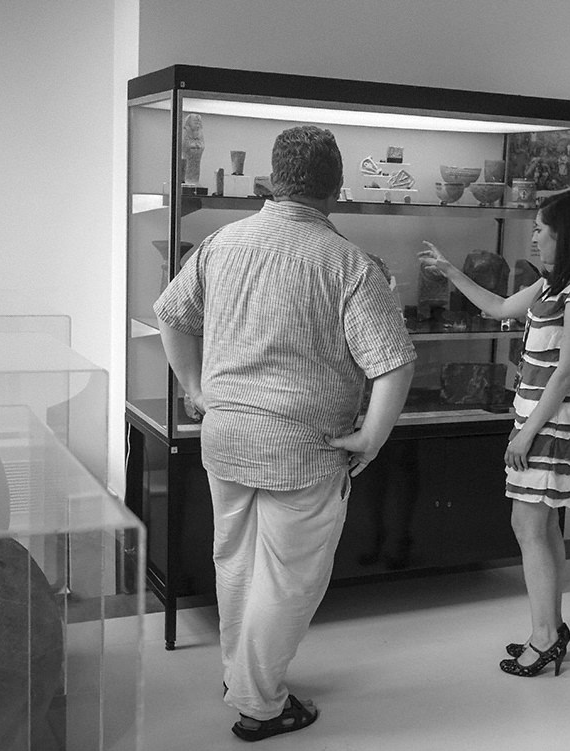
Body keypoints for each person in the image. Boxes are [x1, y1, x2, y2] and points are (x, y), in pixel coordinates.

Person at [154, 125, 416, 742]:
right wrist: (371, 438)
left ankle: (240, 675)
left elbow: (170, 314)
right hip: (304, 446)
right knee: (289, 578)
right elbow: (394, 360)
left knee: (236, 563)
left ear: (273, 180)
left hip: (224, 437)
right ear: (337, 187)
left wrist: (195, 390)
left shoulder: (222, 243)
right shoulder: (347, 262)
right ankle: (260, 704)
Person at [418, 190, 570, 678]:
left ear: (564, 235)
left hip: (550, 427)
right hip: (537, 422)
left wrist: (525, 434)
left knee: (529, 527)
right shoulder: (553, 286)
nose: (534, 237)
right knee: (540, 527)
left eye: (541, 230)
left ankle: (545, 636)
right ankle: (549, 627)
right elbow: (497, 306)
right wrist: (449, 271)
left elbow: (566, 371)